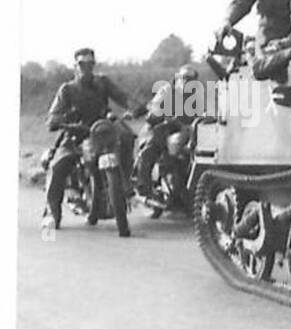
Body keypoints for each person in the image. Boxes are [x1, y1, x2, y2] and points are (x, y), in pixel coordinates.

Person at [43, 47, 143, 233]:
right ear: (75, 66)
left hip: (102, 131)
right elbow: (53, 115)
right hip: (76, 135)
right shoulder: (67, 89)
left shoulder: (102, 83)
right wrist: (57, 121)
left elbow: (123, 97)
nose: (86, 68)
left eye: (90, 64)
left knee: (127, 136)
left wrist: (135, 107)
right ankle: (53, 213)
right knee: (58, 167)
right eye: (82, 64)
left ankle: (125, 181)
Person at [137, 64, 200, 197]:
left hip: (189, 130)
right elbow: (155, 109)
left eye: (191, 79)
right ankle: (143, 183)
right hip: (166, 126)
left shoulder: (197, 94)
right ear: (178, 78)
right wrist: (159, 115)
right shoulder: (167, 90)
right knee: (152, 146)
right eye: (185, 78)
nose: (188, 82)